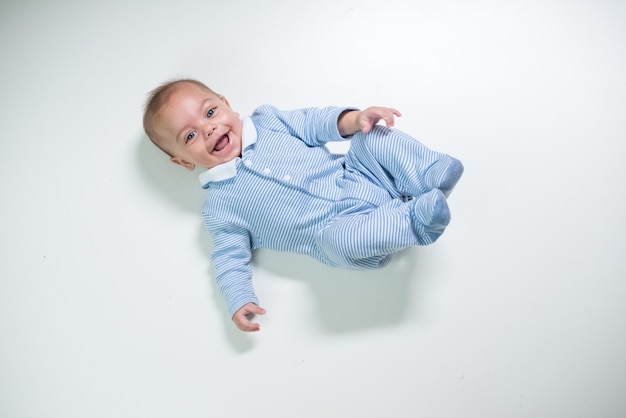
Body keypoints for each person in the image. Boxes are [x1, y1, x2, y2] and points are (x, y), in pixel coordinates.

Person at [143, 79, 463, 332]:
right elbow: (228, 257)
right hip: (339, 232)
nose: (209, 128)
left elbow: (315, 123)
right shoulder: (220, 208)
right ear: (183, 162)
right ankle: (415, 220)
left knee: (369, 136)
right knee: (339, 242)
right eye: (190, 136)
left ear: (227, 105)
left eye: (210, 113)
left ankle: (428, 172)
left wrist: (354, 119)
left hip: (357, 176)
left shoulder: (269, 121)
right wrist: (239, 299)